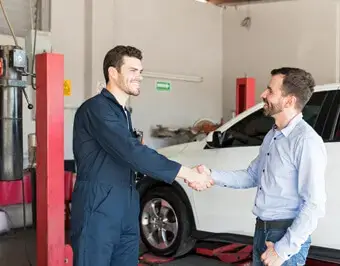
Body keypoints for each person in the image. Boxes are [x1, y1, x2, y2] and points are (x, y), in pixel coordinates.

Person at [70, 45, 213, 266]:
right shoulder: (96, 109)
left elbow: (130, 153)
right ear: (113, 73)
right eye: (133, 71)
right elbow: (132, 152)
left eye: (141, 71)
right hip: (98, 206)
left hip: (126, 204)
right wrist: (187, 174)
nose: (140, 77)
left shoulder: (123, 113)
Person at [193, 67, 327, 266]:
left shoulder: (306, 141)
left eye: (270, 91)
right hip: (261, 229)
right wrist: (211, 175)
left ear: (289, 101)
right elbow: (252, 175)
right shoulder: (273, 135)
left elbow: (314, 205)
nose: (263, 94)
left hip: (283, 234)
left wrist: (282, 251)